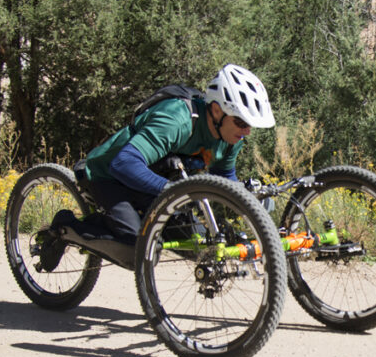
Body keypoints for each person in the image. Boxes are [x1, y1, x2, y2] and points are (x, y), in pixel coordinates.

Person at [37, 64, 275, 270]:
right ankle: (65, 227)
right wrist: (175, 192)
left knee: (201, 248)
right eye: (242, 122)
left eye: (250, 124)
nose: (247, 131)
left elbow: (224, 181)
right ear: (216, 110)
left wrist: (252, 200)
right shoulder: (177, 119)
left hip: (158, 188)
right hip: (110, 175)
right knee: (139, 252)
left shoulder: (231, 137)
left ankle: (112, 224)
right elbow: (124, 163)